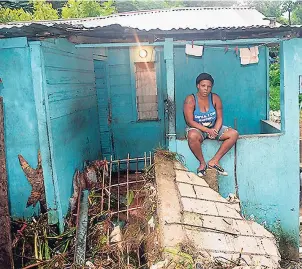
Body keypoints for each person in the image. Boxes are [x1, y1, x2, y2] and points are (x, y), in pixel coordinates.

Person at [183, 73, 239, 177]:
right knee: (192, 136)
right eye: (203, 86)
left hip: (213, 127)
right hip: (197, 129)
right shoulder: (190, 100)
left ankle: (214, 161)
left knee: (234, 134)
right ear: (198, 86)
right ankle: (202, 163)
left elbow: (220, 118)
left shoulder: (215, 98)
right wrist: (207, 130)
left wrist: (215, 131)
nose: (206, 89)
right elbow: (190, 121)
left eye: (209, 86)